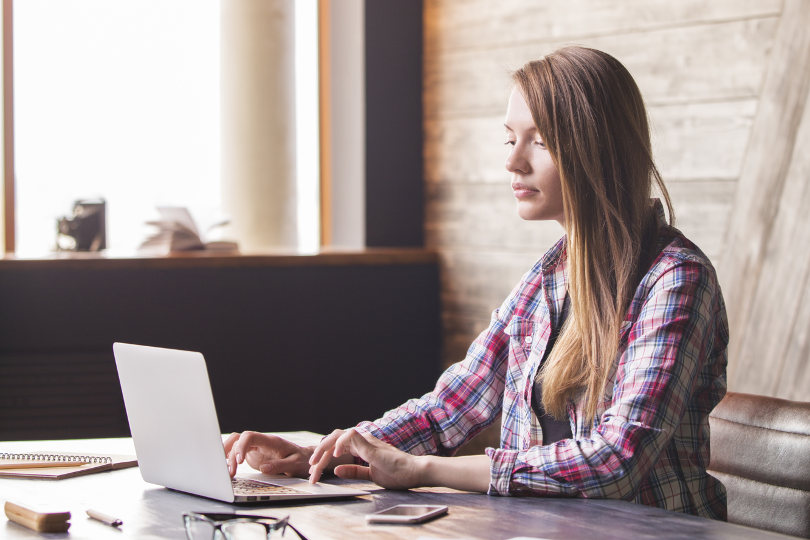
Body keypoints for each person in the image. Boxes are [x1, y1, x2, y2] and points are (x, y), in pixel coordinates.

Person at [224, 46, 729, 520]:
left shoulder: (676, 280)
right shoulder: (549, 278)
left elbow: (616, 461)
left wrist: (423, 471)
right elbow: (454, 405)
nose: (513, 161)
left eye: (542, 141)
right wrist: (328, 452)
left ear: (599, 150)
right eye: (511, 139)